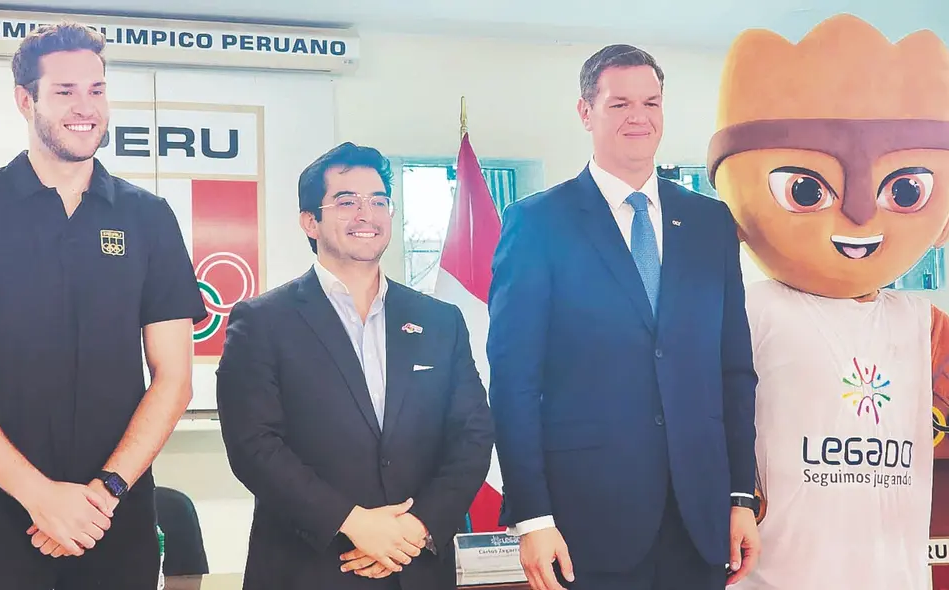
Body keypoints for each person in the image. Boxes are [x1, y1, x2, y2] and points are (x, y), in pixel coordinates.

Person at [486, 44, 760, 590]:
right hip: (585, 521)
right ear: (585, 112)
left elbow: (733, 370)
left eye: (651, 103)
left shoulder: (709, 223)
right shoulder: (537, 223)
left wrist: (740, 497)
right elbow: (514, 383)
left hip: (699, 518)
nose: (639, 117)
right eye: (620, 104)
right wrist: (532, 518)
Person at [0, 22, 207, 589]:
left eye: (96, 89)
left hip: (113, 514)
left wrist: (104, 493)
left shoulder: (148, 217)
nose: (85, 107)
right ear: (26, 100)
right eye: (64, 91)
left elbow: (174, 379)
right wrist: (39, 496)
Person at [707, 14, 949, 590]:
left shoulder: (923, 325)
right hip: (775, 574)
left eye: (905, 190)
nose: (860, 214)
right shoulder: (746, 311)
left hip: (895, 575)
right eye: (805, 189)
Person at [215, 141, 495, 590]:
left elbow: (473, 434)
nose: (367, 215)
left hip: (417, 563)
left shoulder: (440, 320)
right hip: (309, 568)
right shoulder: (263, 321)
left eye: (379, 201)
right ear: (310, 221)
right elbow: (254, 446)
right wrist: (354, 523)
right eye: (346, 202)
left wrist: (418, 526)